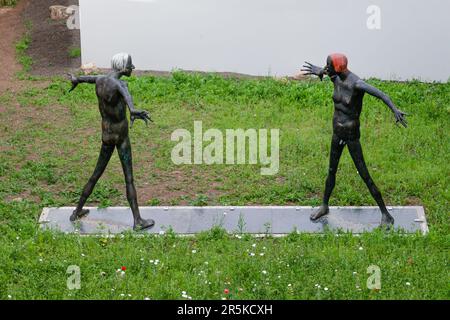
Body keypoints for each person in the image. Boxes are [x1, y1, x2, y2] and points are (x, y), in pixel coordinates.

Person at [301, 53, 408, 228]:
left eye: (328, 66)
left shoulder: (357, 84)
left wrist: (395, 109)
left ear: (337, 68)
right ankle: (324, 205)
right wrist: (318, 71)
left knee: (364, 174)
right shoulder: (334, 77)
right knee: (331, 171)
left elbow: (381, 94)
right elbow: (325, 72)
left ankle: (385, 214)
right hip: (337, 133)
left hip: (351, 136)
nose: (326, 68)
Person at [68, 53, 154, 230]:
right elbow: (129, 102)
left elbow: (87, 78)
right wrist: (134, 111)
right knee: (129, 178)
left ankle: (77, 211)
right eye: (130, 65)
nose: (132, 68)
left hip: (106, 135)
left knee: (96, 174)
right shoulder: (120, 84)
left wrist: (77, 79)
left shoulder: (100, 79)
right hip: (120, 136)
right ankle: (137, 220)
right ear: (122, 68)